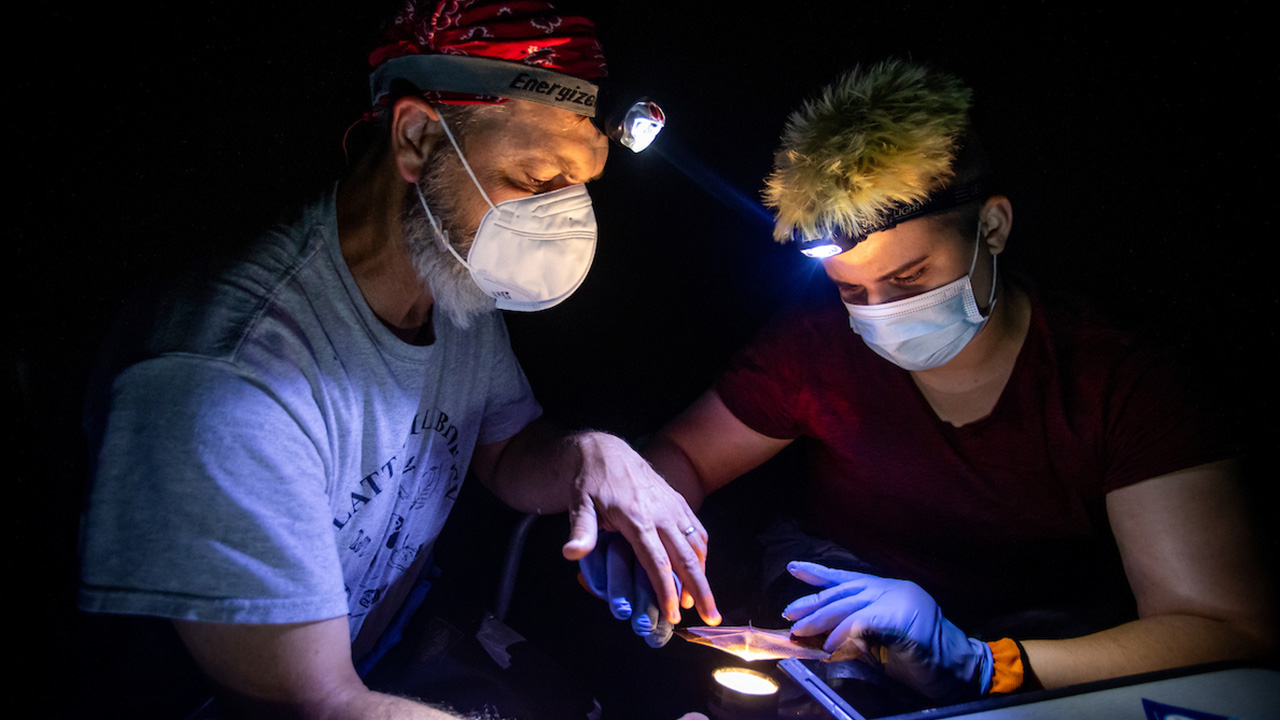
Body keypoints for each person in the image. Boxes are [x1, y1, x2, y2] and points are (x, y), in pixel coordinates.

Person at [76, 2, 719, 718]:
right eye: (538, 178)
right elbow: (320, 703)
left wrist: (588, 458)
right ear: (415, 137)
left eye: (581, 184)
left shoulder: (450, 279)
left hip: (388, 649)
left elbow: (505, 455)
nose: (564, 220)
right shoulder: (228, 380)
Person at [586, 59, 1274, 703]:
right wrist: (645, 529)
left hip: (1049, 653)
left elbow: (1223, 629)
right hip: (842, 633)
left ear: (993, 226)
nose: (881, 314)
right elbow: (684, 458)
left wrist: (983, 662)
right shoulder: (816, 347)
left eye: (910, 278)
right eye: (852, 290)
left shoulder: (1114, 384)